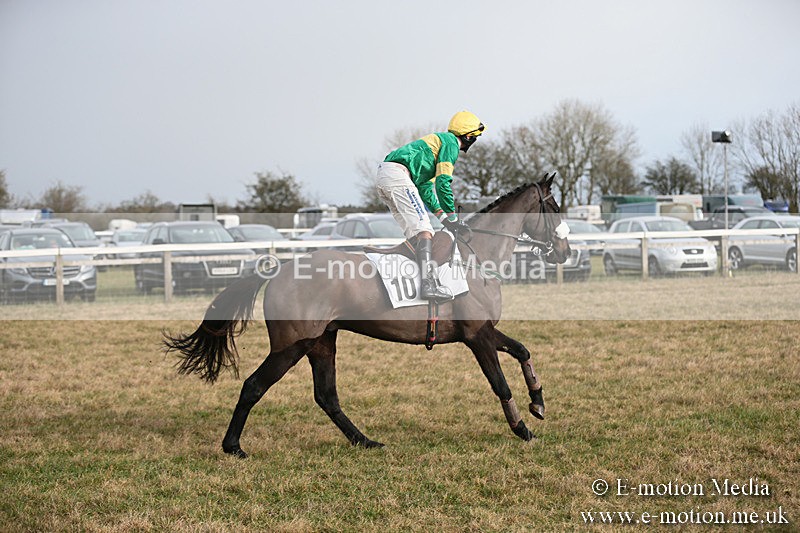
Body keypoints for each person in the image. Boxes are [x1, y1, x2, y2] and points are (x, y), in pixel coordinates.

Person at [375, 111, 485, 301]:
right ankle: (428, 285)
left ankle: (414, 282)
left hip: (387, 176)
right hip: (397, 175)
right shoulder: (451, 143)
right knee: (425, 230)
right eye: (475, 137)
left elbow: (426, 190)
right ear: (468, 136)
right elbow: (443, 183)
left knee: (415, 235)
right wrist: (453, 217)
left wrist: (444, 218)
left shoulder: (434, 151)